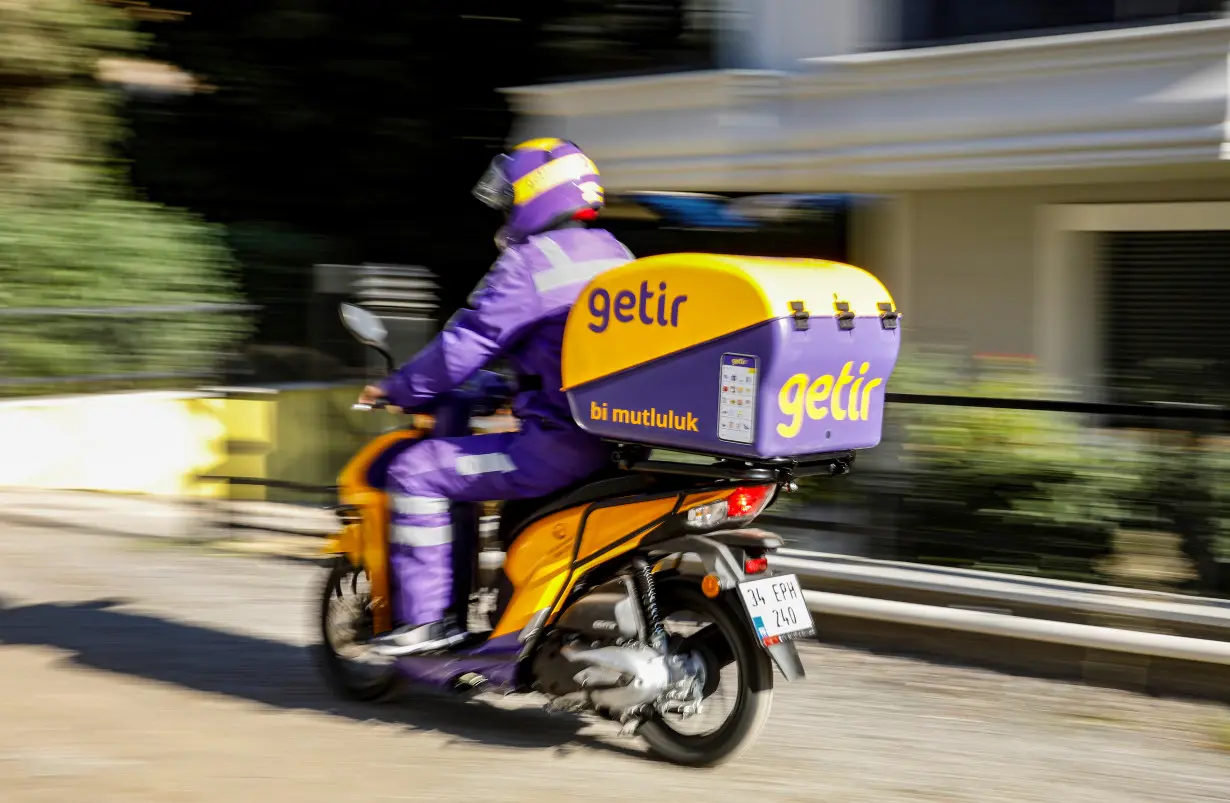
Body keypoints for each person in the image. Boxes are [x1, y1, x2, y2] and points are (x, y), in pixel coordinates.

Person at [358, 139, 635, 656]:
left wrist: (401, 389)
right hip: (616, 440)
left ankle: (427, 623)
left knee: (415, 472)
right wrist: (495, 388)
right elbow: (561, 355)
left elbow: (466, 345)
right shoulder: (615, 254)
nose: (506, 209)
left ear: (536, 196)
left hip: (556, 448)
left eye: (510, 197)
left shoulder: (533, 263)